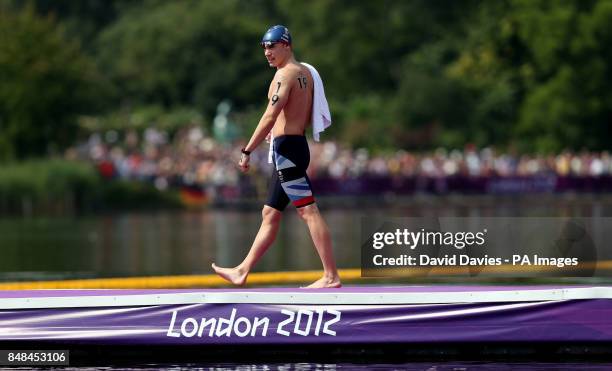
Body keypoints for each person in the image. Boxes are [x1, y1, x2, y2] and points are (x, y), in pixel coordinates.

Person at [212, 25, 341, 288]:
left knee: (309, 211)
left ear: (286, 45)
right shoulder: (305, 73)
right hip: (293, 146)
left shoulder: (285, 75)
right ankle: (242, 270)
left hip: (288, 152)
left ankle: (330, 276)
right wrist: (283, 129)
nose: (267, 52)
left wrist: (247, 150)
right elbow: (299, 112)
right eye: (264, 47)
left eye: (271, 46)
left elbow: (270, 115)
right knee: (270, 214)